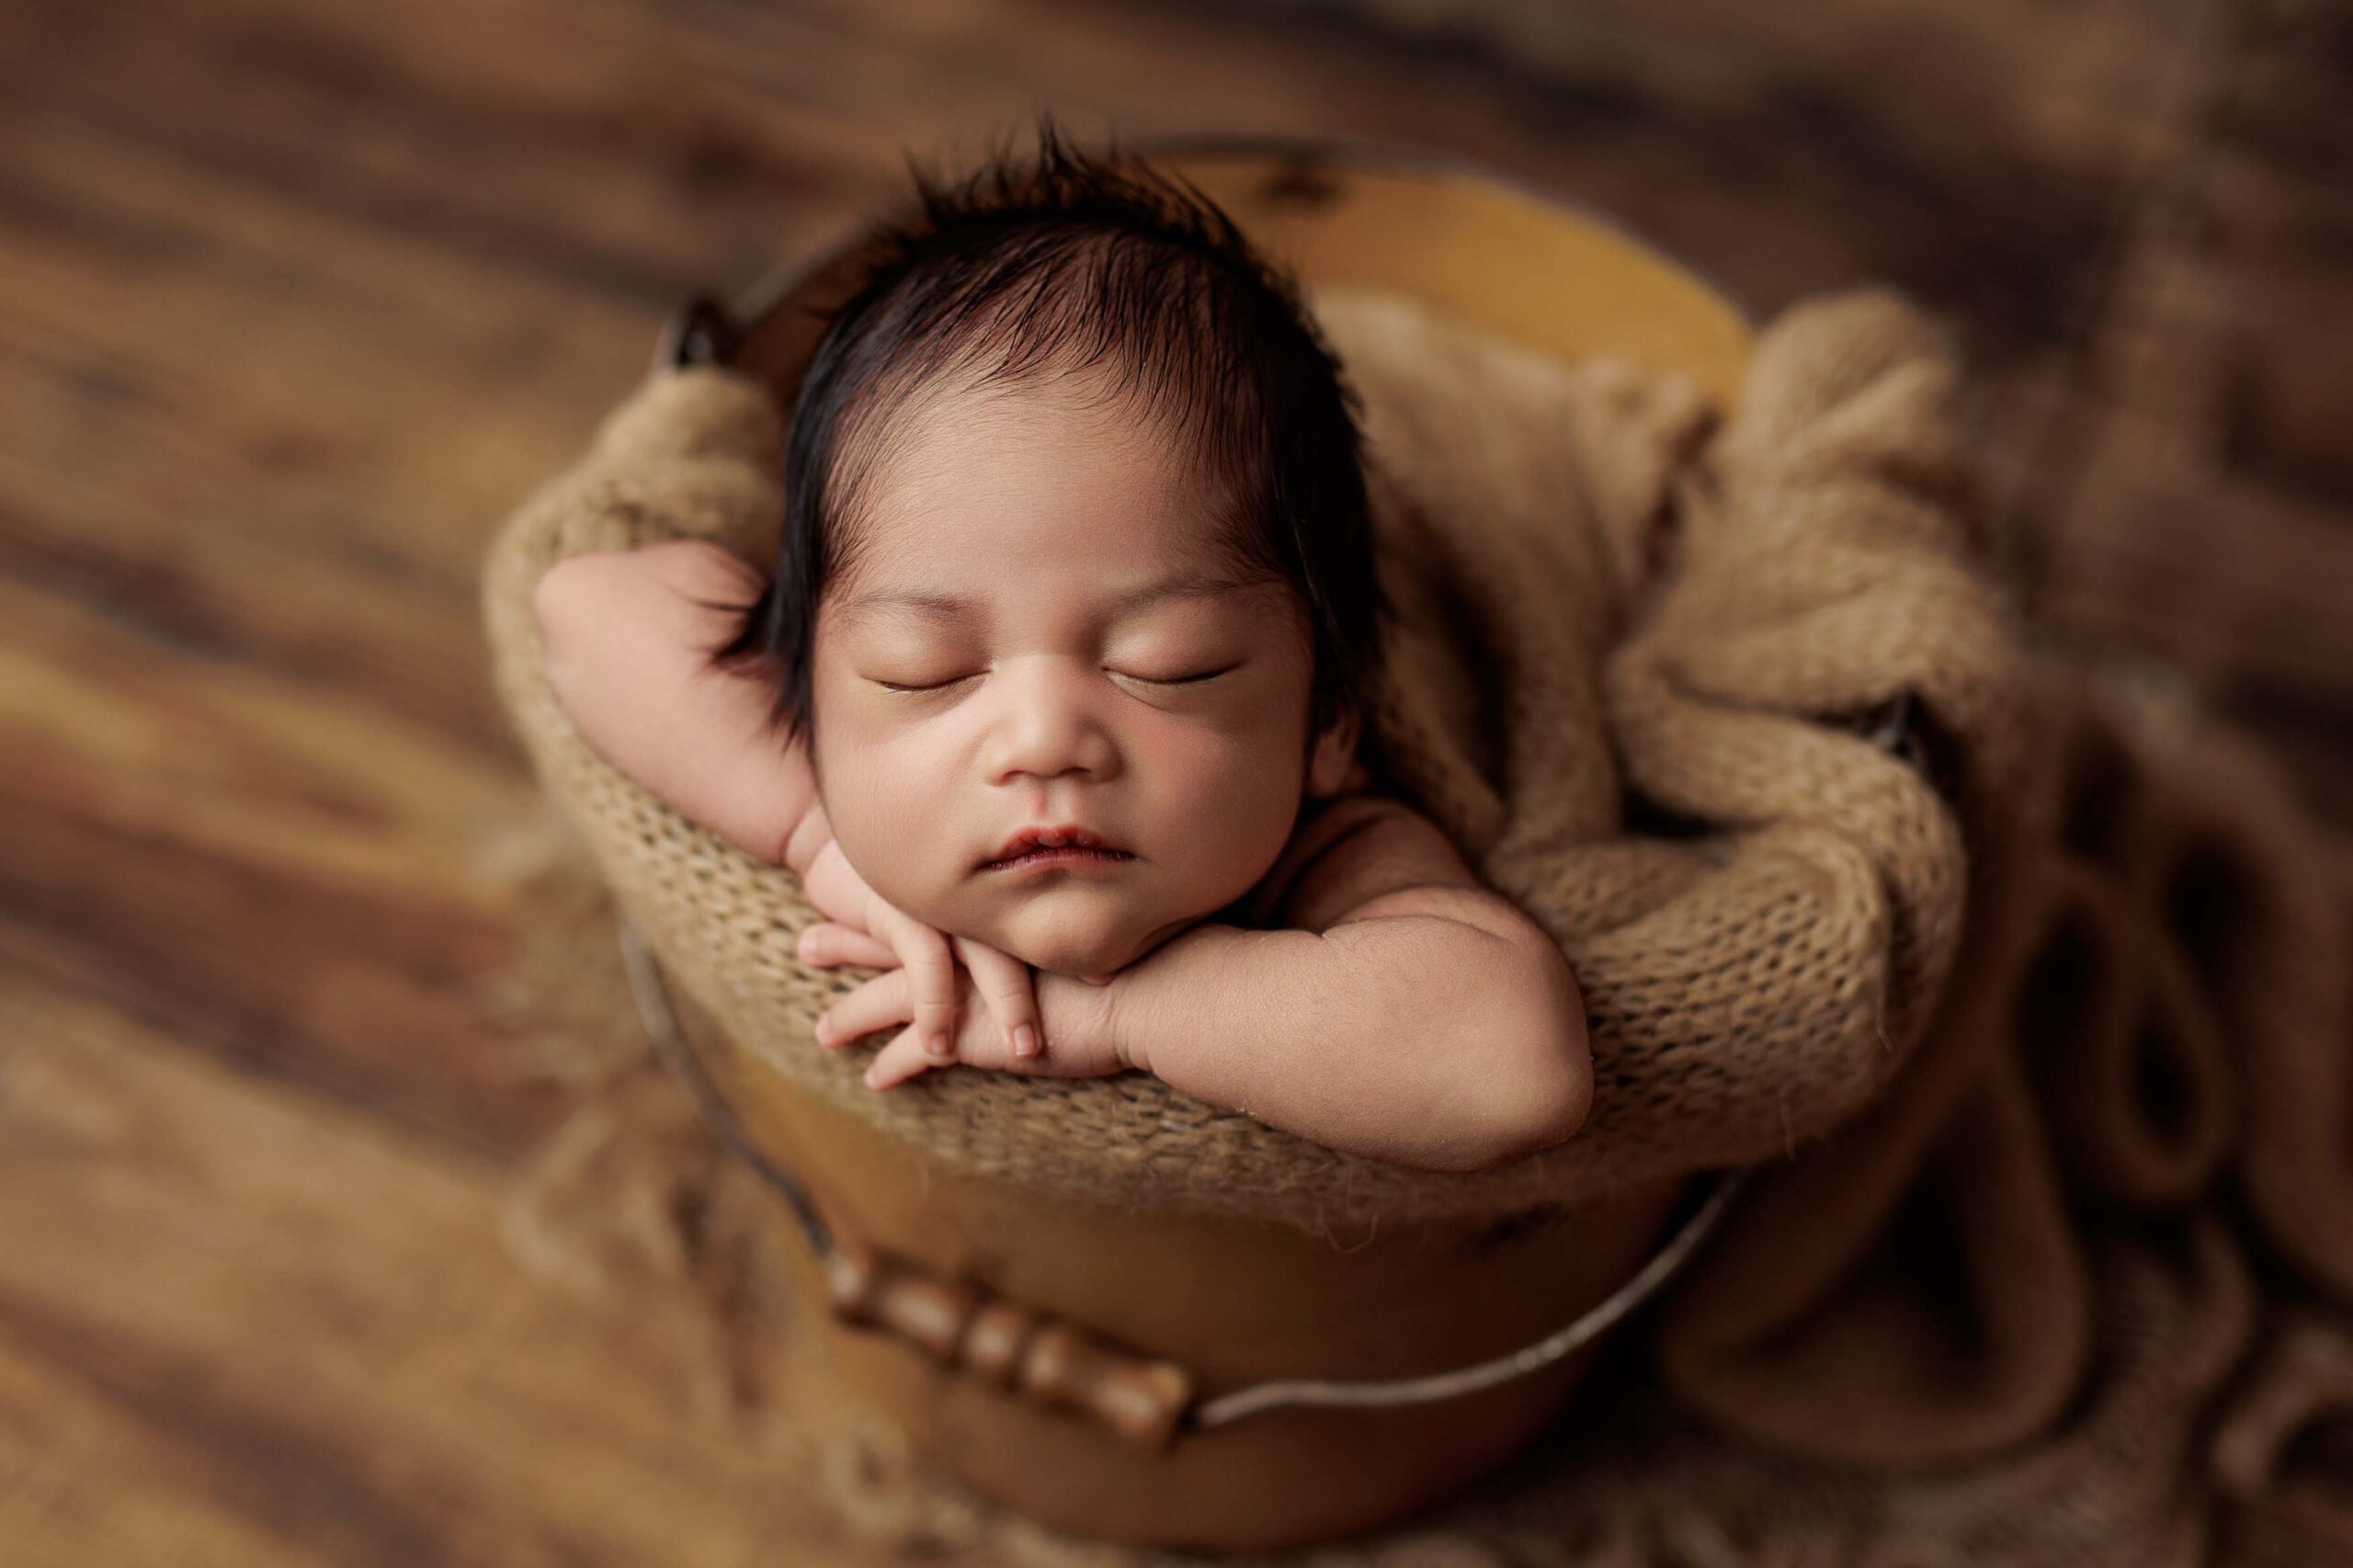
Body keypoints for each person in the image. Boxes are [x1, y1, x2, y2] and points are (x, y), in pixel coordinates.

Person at [532, 114, 1590, 1172]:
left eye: (1169, 663)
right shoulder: (823, 778)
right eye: (924, 670)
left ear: (1330, 723)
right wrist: (814, 831)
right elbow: (584, 606)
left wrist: (1130, 1012)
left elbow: (1513, 1069)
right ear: (805, 691)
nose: (1041, 741)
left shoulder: (1328, 850)